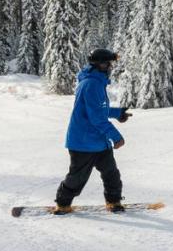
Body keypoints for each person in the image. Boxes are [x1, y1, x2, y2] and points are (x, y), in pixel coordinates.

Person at [54, 48, 132, 213]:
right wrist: (116, 137)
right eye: (109, 64)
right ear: (101, 65)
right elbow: (96, 118)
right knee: (77, 177)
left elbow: (98, 109)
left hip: (99, 142)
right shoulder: (91, 84)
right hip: (83, 142)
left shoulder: (96, 81)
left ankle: (114, 202)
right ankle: (62, 203)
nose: (111, 67)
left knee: (111, 174)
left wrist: (118, 113)